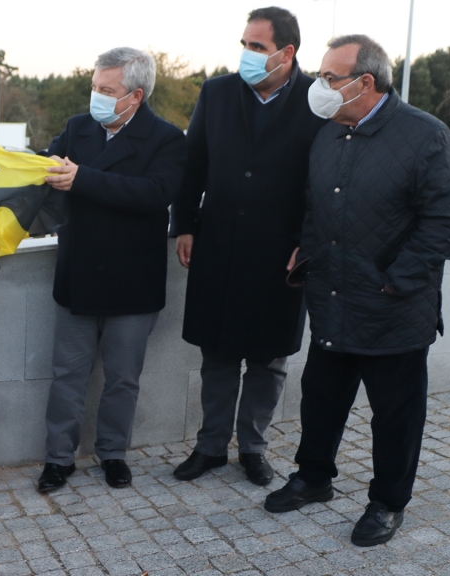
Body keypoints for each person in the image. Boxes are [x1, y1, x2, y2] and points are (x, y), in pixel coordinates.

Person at [264, 35, 450, 547]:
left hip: (394, 310)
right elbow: (317, 206)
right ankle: (314, 479)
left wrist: (394, 279)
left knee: (396, 417)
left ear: (366, 83)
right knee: (321, 402)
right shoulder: (329, 134)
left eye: (330, 78)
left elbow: (448, 223)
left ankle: (387, 503)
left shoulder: (426, 136)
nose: (320, 86)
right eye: (320, 75)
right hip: (333, 300)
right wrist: (306, 249)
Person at [170, 7, 326, 486]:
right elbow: (192, 164)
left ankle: (253, 448)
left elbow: (324, 183)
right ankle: (211, 446)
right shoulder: (217, 92)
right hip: (217, 244)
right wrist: (186, 225)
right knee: (216, 353)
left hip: (280, 254)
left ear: (287, 52)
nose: (246, 54)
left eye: (257, 47)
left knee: (268, 357)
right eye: (244, 44)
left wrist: (306, 244)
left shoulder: (316, 99)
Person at [36, 48, 188, 493]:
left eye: (107, 90)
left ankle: (113, 454)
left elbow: (154, 193)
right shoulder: (77, 128)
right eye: (94, 88)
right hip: (78, 273)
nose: (96, 97)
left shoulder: (166, 139)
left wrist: (83, 178)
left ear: (135, 96)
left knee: (123, 378)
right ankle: (58, 459)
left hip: (131, 279)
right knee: (67, 375)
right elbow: (46, 170)